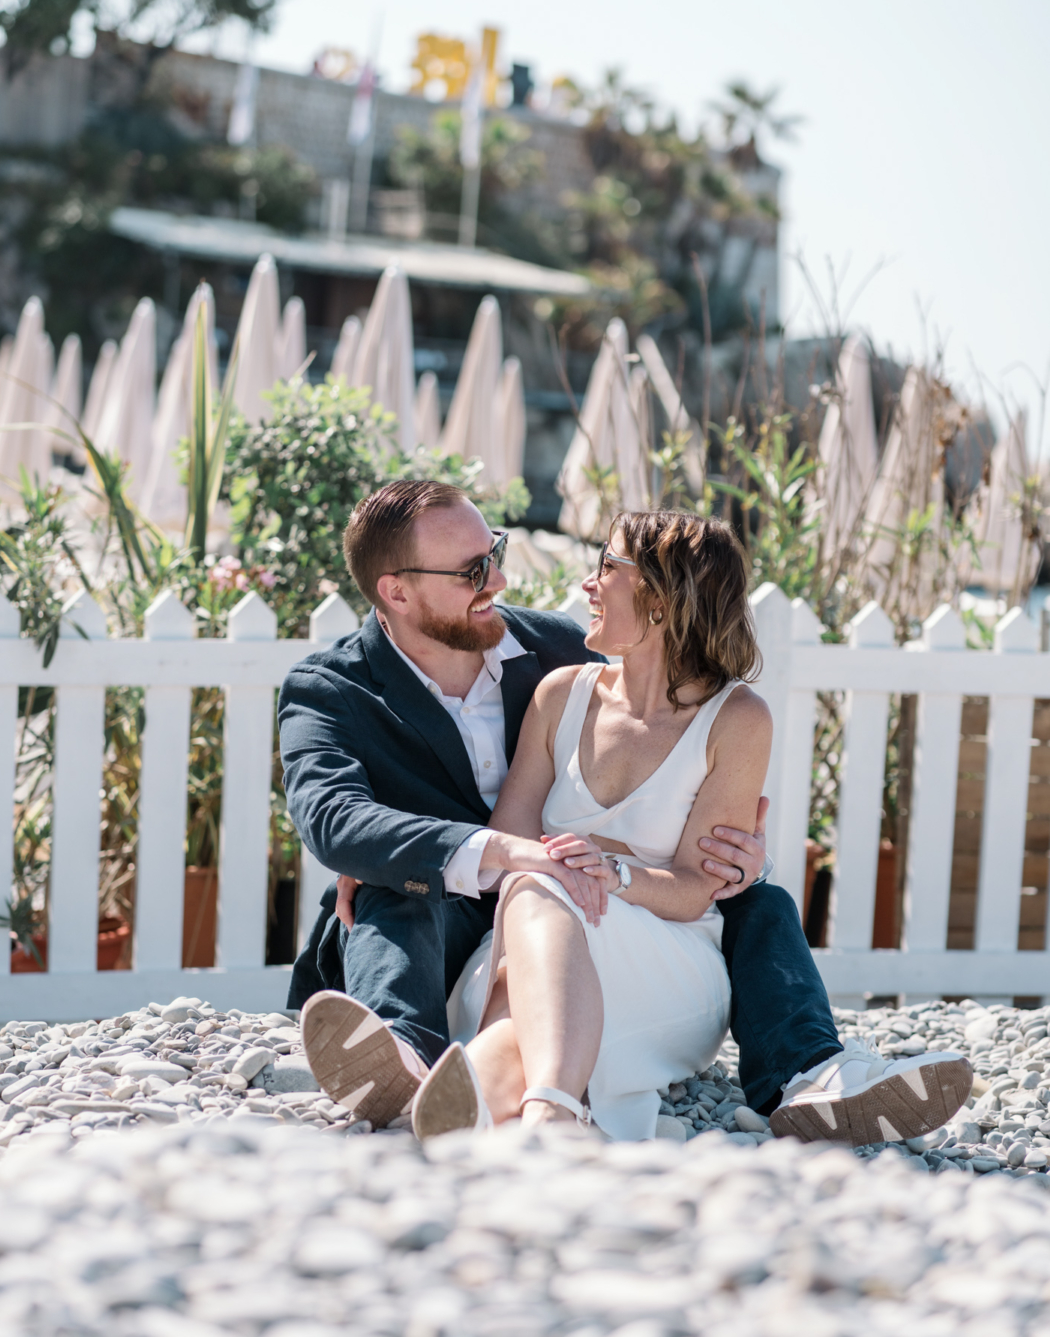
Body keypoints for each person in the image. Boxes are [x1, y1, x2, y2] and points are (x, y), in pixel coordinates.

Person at [279, 481, 971, 1142]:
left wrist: (723, 860)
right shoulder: (331, 689)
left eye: (496, 551)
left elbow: (690, 806)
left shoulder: (558, 650)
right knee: (411, 883)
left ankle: (805, 1072)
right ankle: (413, 1057)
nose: (498, 581)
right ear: (396, 591)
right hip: (474, 919)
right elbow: (334, 818)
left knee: (758, 897)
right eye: (470, 571)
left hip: (598, 919)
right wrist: (421, 852)